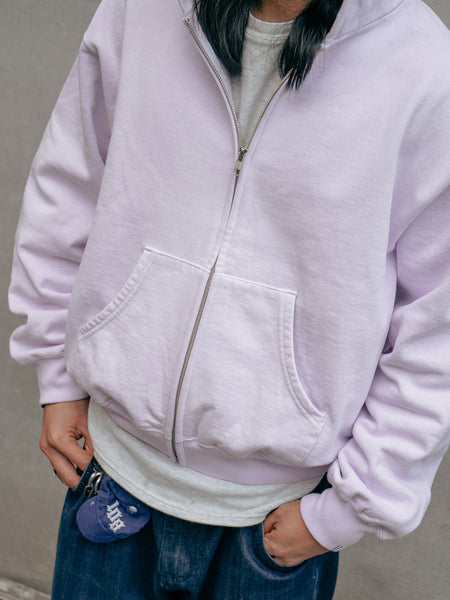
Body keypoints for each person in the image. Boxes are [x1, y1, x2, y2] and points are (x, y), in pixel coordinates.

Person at [8, 0, 450, 598]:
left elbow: (436, 322)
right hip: (110, 481)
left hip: (272, 528)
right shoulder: (140, 11)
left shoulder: (425, 68)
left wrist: (349, 509)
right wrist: (57, 375)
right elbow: (70, 186)